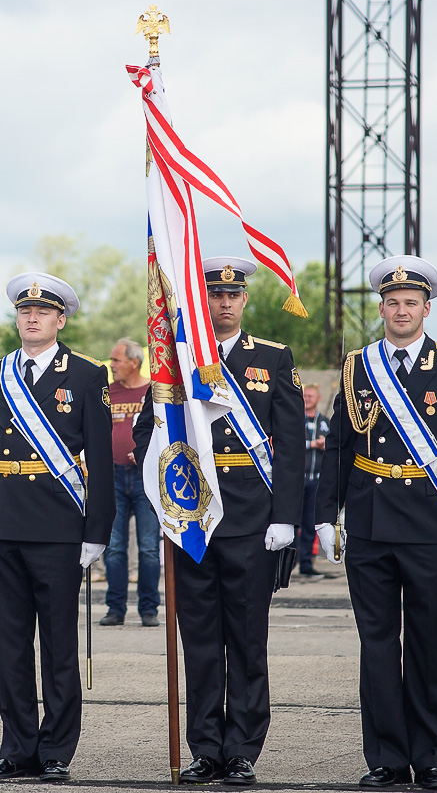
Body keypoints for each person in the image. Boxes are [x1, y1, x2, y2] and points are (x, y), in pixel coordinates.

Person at [315, 256, 437, 791]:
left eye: (411, 303)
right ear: (383, 309)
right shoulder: (358, 366)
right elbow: (340, 447)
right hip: (369, 525)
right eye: (392, 303)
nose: (401, 310)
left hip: (431, 525)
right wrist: (326, 514)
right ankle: (387, 757)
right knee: (377, 645)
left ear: (426, 309)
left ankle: (433, 756)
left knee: (428, 645)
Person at [133, 256, 304, 786]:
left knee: (248, 639)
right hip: (193, 517)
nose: (224, 302)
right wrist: (168, 495)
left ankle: (243, 749)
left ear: (245, 300)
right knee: (201, 640)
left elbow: (294, 446)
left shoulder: (272, 358)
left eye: (233, 295)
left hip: (253, 517)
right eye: (214, 294)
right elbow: (147, 435)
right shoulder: (176, 361)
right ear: (201, 300)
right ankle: (206, 747)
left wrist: (287, 518)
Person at [0, 272, 114, 783]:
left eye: (44, 312)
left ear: (60, 319)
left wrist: (98, 530)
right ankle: (17, 747)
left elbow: (102, 458)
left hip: (57, 524)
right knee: (11, 644)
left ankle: (55, 750)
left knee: (57, 644)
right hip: (3, 521)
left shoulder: (89, 374)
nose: (32, 318)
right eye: (25, 312)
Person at [99, 337, 159, 628]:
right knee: (114, 546)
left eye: (116, 360)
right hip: (111, 475)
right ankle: (115, 608)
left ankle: (149, 608)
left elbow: (164, 429)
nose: (111, 365)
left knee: (148, 546)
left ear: (134, 362)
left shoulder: (153, 390)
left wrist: (147, 451)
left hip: (144, 477)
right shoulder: (106, 393)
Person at [300, 382, 330, 577]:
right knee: (292, 522)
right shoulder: (294, 420)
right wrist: (312, 444)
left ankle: (306, 563)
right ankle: (286, 561)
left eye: (311, 396)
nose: (307, 399)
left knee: (311, 522)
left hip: (317, 480)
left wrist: (325, 445)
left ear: (318, 398)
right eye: (305, 396)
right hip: (298, 479)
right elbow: (289, 445)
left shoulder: (325, 422)